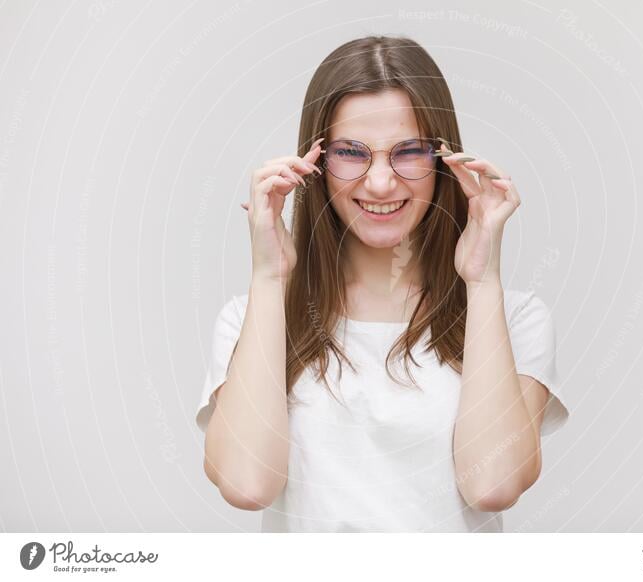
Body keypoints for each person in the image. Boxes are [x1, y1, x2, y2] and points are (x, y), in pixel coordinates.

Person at [195, 34, 569, 532]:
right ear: (316, 164)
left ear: (442, 159)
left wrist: (481, 282)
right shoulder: (250, 319)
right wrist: (269, 277)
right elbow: (246, 485)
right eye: (352, 152)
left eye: (408, 151)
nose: (379, 182)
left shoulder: (514, 319)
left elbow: (493, 486)